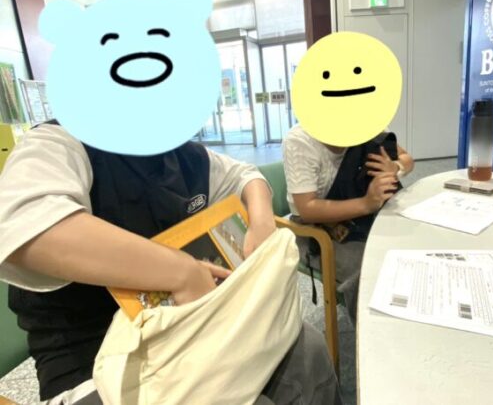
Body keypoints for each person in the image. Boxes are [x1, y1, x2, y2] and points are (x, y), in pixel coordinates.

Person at [0, 122, 343, 405]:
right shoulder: (58, 144)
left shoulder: (184, 155)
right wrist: (182, 273)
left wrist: (262, 218)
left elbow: (245, 176)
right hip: (93, 359)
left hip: (181, 332)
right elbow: (23, 226)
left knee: (307, 348)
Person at [282, 124, 414, 323]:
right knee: (369, 269)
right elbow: (307, 209)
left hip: (363, 214)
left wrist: (396, 167)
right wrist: (366, 204)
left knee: (406, 247)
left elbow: (406, 158)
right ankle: (373, 328)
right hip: (315, 228)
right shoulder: (300, 141)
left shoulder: (366, 124)